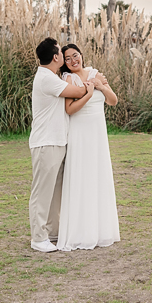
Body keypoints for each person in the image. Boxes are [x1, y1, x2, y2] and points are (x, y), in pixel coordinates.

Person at [56, 43, 121, 251]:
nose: (73, 60)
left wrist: (100, 86)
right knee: (81, 176)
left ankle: (100, 230)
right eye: (68, 58)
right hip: (80, 133)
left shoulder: (95, 73)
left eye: (75, 56)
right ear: (64, 63)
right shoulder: (68, 80)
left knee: (97, 176)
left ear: (81, 55)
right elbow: (69, 110)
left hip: (97, 133)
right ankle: (80, 232)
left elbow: (113, 101)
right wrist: (88, 94)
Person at [29, 37, 90, 253]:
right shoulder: (47, 78)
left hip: (56, 142)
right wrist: (91, 85)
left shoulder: (51, 76)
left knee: (55, 192)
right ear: (56, 57)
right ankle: (38, 238)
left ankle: (52, 233)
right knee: (42, 192)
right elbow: (78, 92)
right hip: (46, 143)